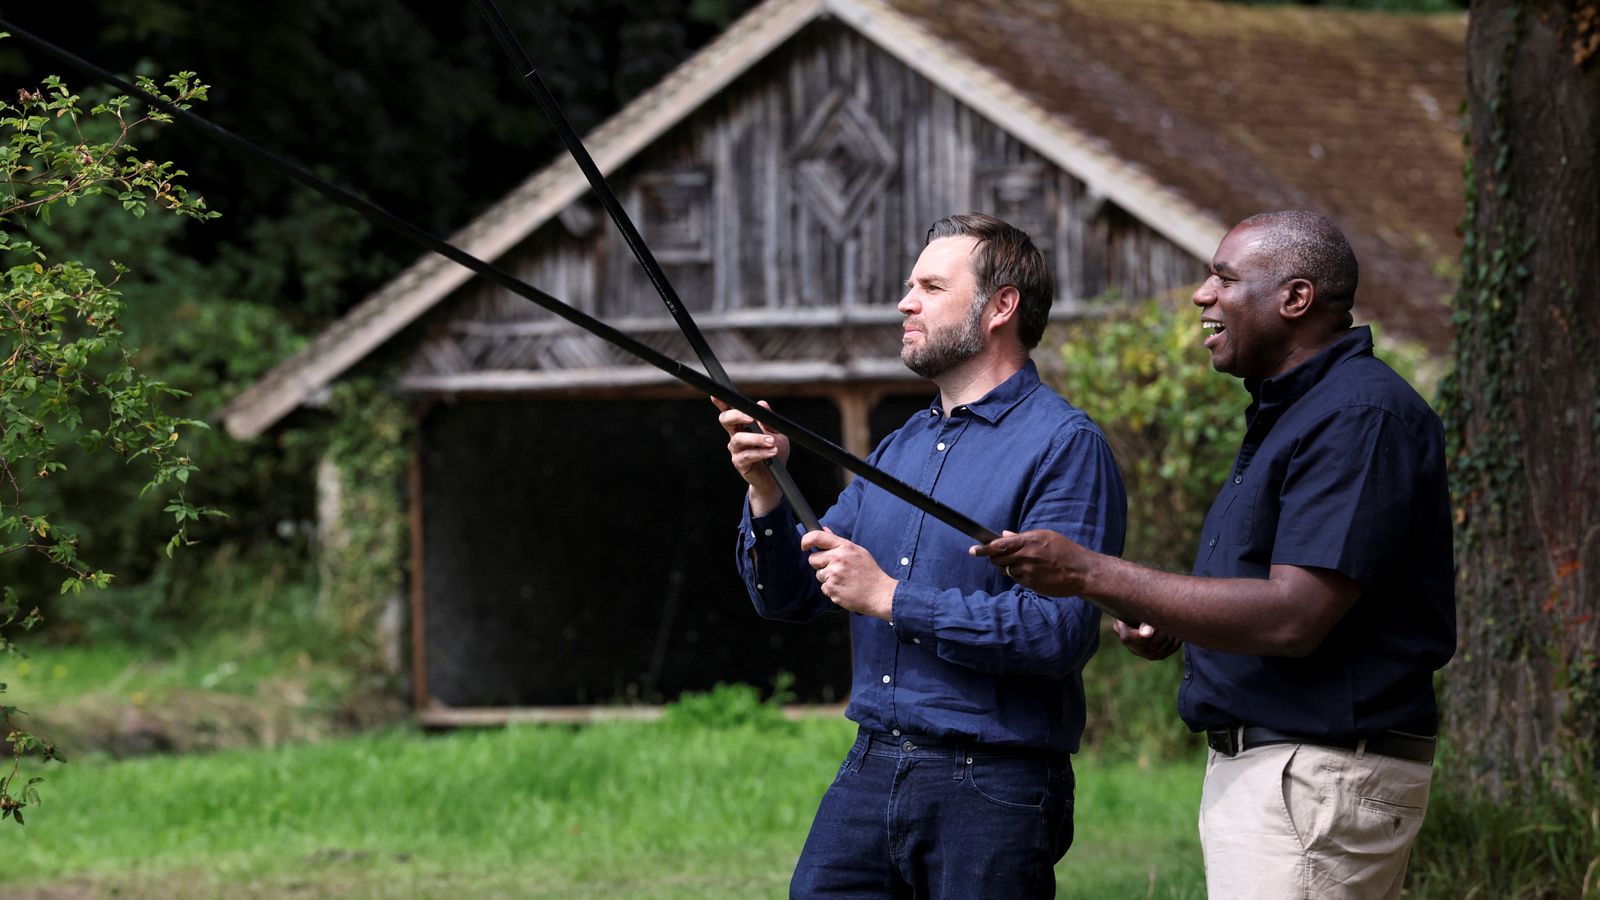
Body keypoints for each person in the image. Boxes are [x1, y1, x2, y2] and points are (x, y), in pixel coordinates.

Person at [973, 210, 1455, 899]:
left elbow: (1294, 616)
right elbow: (1286, 592)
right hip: (1286, 775)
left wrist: (1088, 571)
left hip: (1311, 776)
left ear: (1295, 298)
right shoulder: (1296, 411)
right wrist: (1173, 619)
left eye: (1224, 278)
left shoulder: (1359, 416)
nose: (1202, 294)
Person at [714, 213, 1126, 897]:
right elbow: (790, 595)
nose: (906, 302)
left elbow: (1058, 634)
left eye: (931, 287)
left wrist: (891, 599)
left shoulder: (1065, 446)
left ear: (1001, 307)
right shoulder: (902, 445)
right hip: (872, 764)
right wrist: (765, 490)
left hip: (994, 782)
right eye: (911, 286)